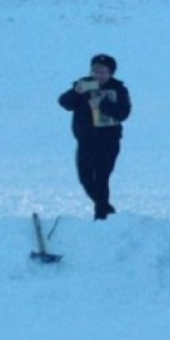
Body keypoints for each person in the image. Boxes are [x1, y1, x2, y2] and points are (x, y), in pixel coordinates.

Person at [58, 54, 131, 220]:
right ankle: (107, 209)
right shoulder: (84, 85)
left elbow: (123, 113)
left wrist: (102, 105)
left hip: (108, 140)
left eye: (103, 71)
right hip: (86, 140)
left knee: (101, 176)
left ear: (110, 73)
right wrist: (76, 93)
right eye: (95, 70)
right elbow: (64, 103)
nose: (98, 75)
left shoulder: (119, 89)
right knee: (85, 178)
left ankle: (101, 215)